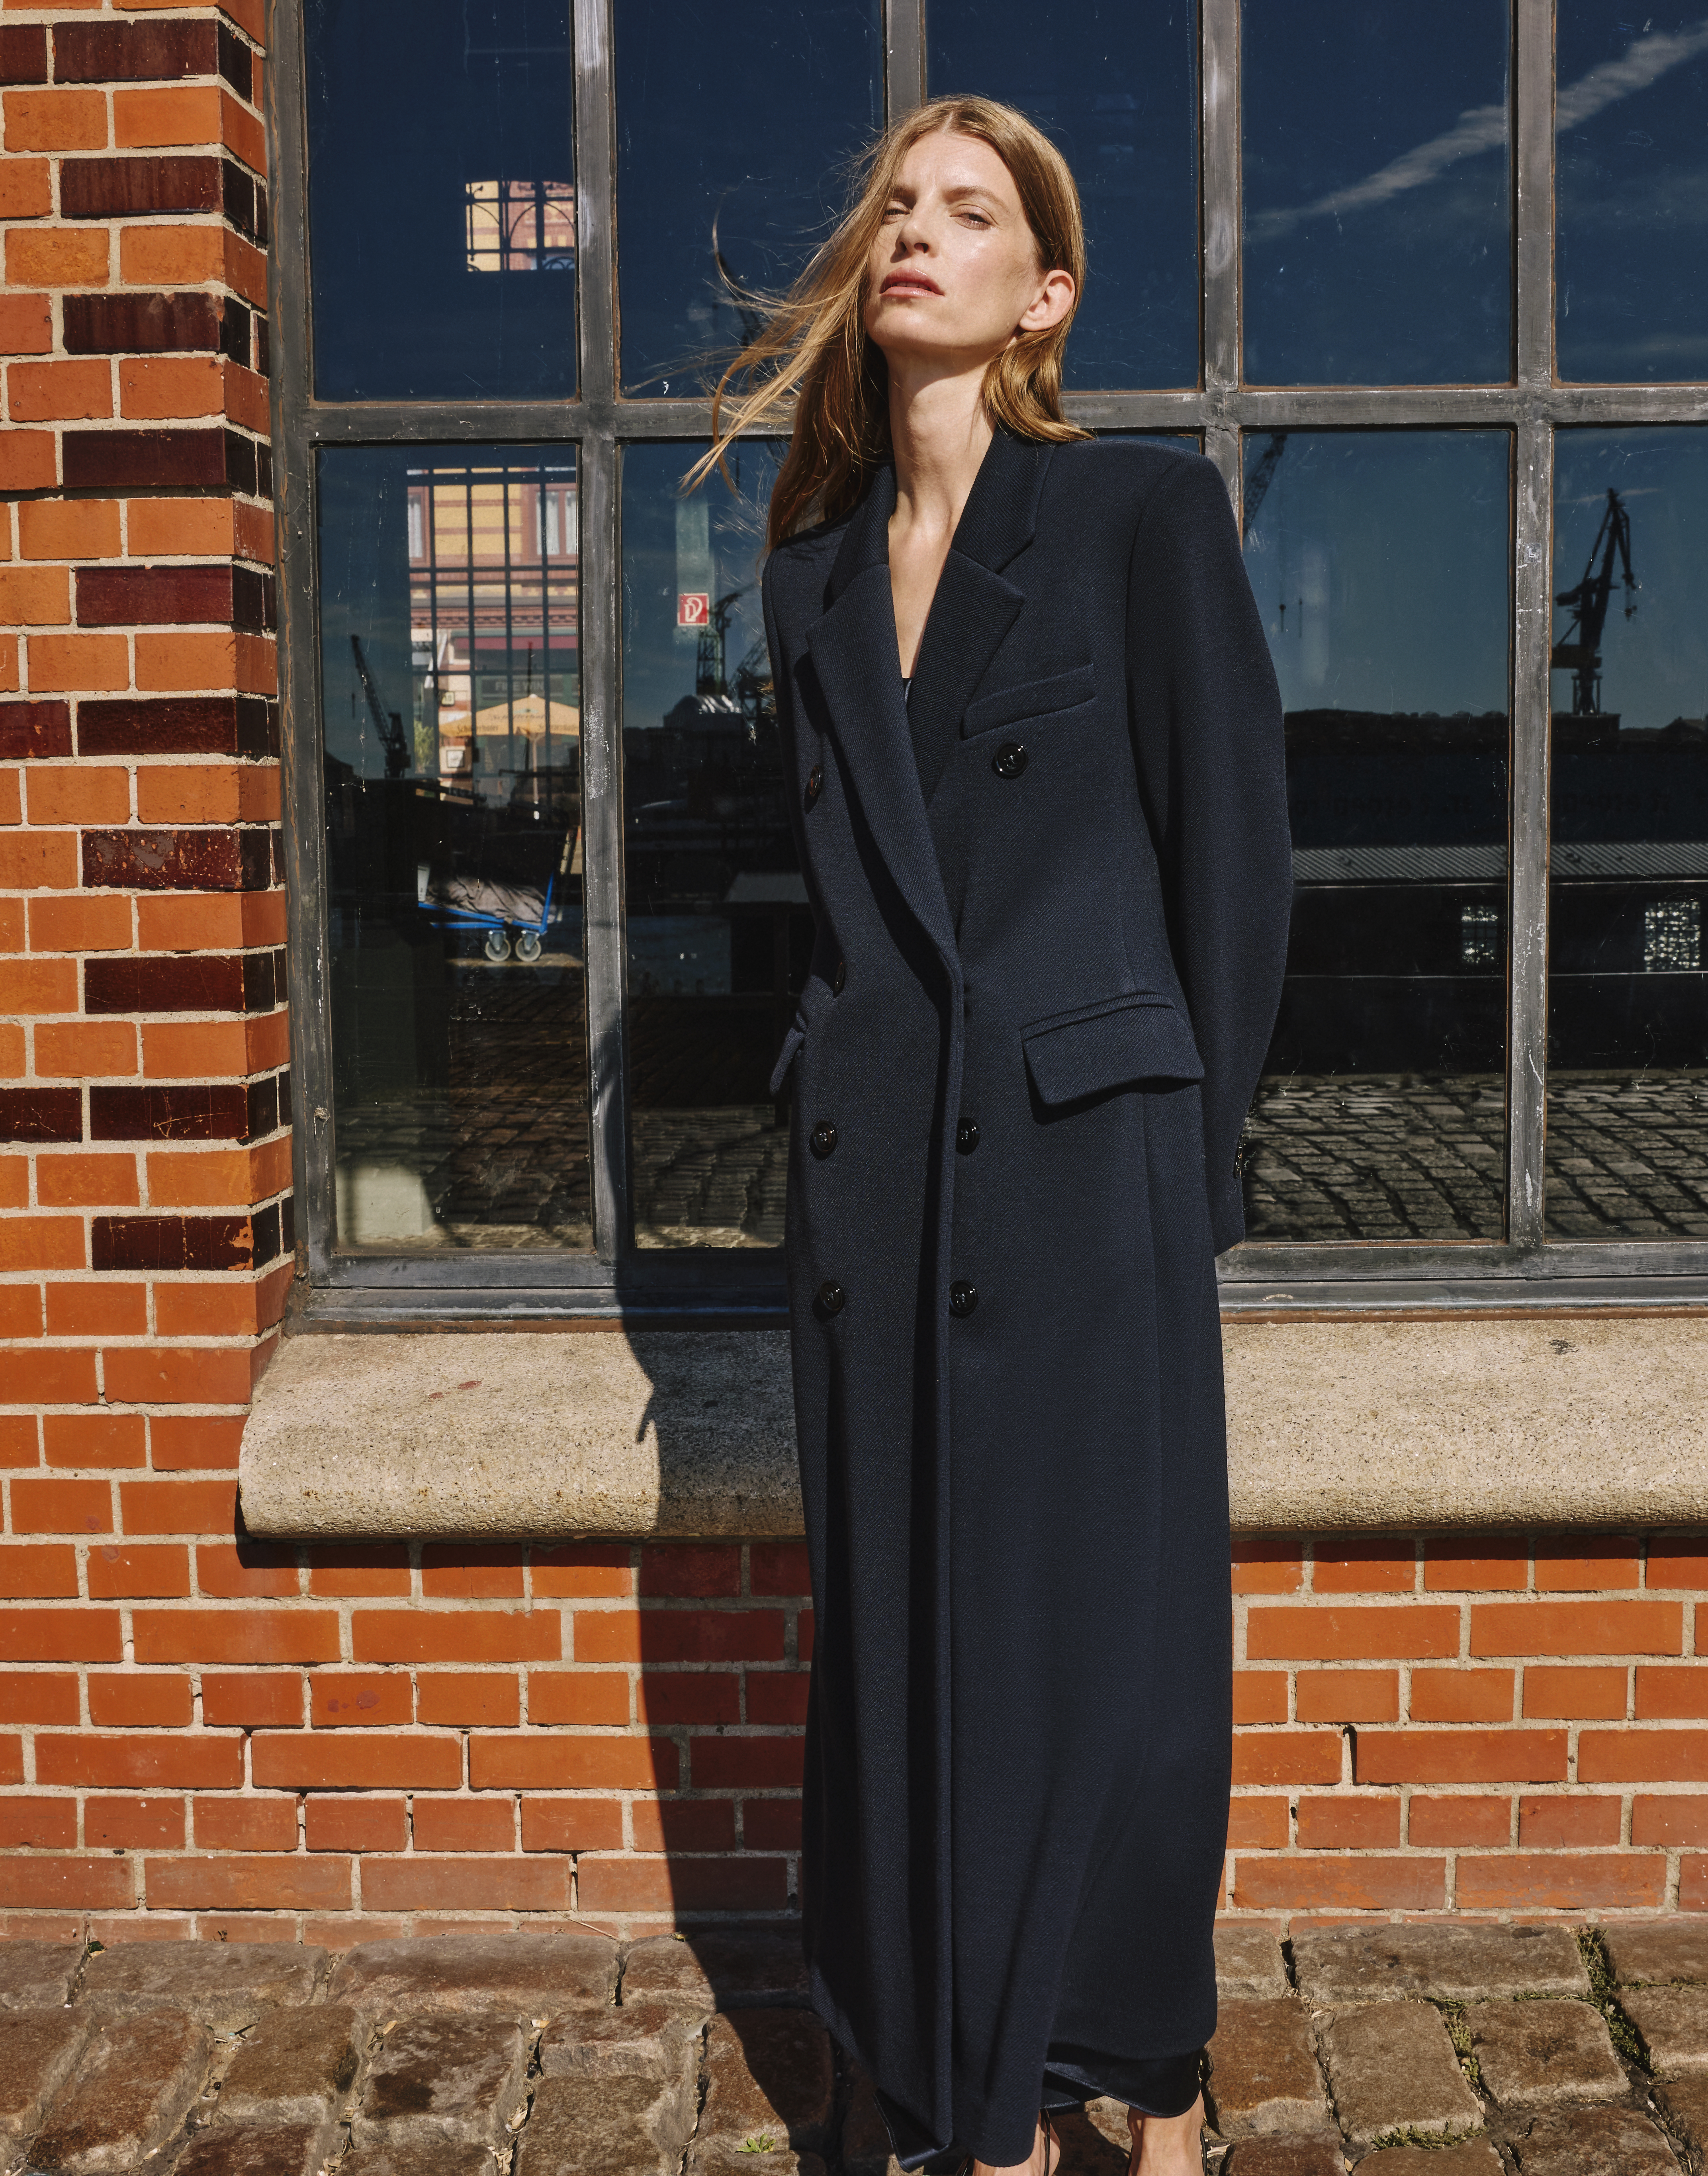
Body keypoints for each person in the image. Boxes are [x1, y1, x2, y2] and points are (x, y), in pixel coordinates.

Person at [694, 95, 1295, 2176]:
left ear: (1043, 295)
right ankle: (960, 2077)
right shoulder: (810, 585)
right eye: (897, 206)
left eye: (970, 214)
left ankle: (1136, 2057)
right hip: (879, 1183)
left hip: (1085, 1168)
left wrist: (1181, 1182)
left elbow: (1237, 865)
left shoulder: (1139, 519)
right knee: (906, 1643)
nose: (916, 236)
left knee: (1104, 1643)